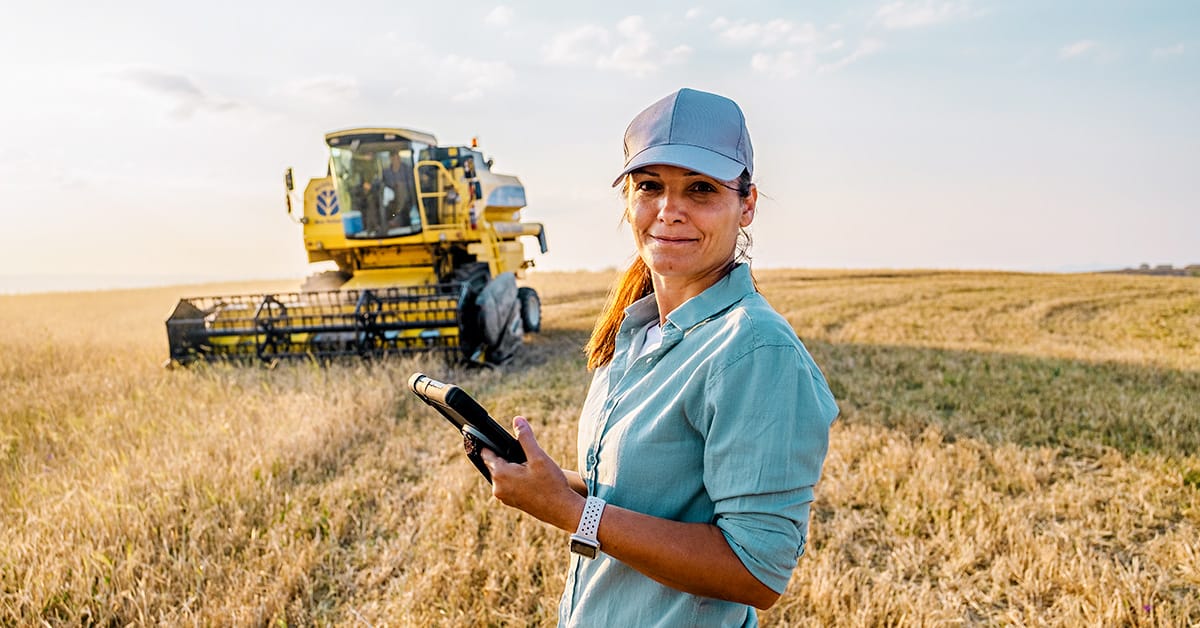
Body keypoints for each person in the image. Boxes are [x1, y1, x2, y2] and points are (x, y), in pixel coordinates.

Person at [480, 87, 839, 627]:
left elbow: (756, 572)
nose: (669, 211)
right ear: (627, 198)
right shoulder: (636, 331)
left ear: (747, 204)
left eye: (700, 189)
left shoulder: (756, 351)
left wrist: (572, 512)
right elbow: (647, 501)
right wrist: (553, 484)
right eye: (649, 186)